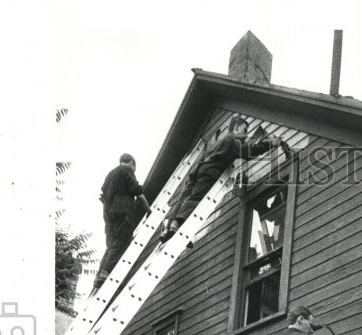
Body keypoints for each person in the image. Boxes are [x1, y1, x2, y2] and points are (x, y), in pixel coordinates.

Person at [160, 115, 290, 241]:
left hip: (198, 170)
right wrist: (270, 144)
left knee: (184, 199)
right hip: (210, 171)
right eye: (244, 130)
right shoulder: (232, 140)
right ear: (236, 128)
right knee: (196, 200)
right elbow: (249, 152)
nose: (246, 135)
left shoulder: (218, 142)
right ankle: (177, 224)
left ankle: (170, 225)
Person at [93, 154, 151, 291]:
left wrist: (108, 215)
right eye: (134, 168)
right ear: (131, 163)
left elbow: (103, 196)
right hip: (122, 211)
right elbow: (137, 191)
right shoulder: (126, 170)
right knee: (123, 241)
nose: (134, 171)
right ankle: (106, 272)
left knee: (112, 245)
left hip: (109, 214)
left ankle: (99, 276)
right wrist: (148, 209)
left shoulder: (110, 174)